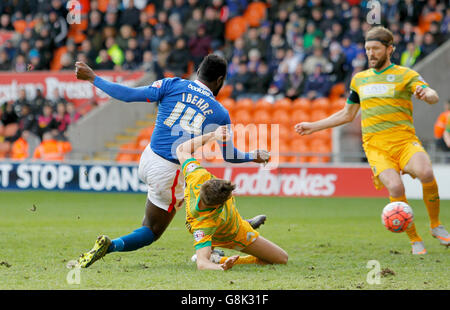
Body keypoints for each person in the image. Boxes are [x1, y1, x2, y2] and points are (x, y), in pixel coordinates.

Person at [74, 54, 269, 268]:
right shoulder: (220, 113)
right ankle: (111, 246)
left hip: (148, 157)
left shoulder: (171, 83)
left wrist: (94, 77)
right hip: (169, 170)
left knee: (205, 188)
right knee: (153, 230)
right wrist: (253, 155)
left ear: (198, 71)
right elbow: (230, 156)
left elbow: (128, 95)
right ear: (220, 80)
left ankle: (233, 229)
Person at [295, 26, 449, 255]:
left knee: (426, 172)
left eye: (376, 49)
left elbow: (431, 94)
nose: (371, 54)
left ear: (390, 49)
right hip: (377, 147)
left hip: (405, 141)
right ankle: (414, 238)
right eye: (368, 49)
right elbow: (347, 114)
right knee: (395, 186)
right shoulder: (359, 80)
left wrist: (427, 95)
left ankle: (436, 225)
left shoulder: (406, 75)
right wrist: (313, 126)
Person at [176, 126, 288, 270]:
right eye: (229, 196)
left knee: (279, 259)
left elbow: (181, 149)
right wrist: (222, 267)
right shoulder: (204, 225)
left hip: (227, 221)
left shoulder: (198, 176)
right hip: (232, 233)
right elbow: (202, 263)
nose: (232, 195)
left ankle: (241, 225)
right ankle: (220, 257)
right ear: (218, 206)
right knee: (281, 259)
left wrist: (213, 135)